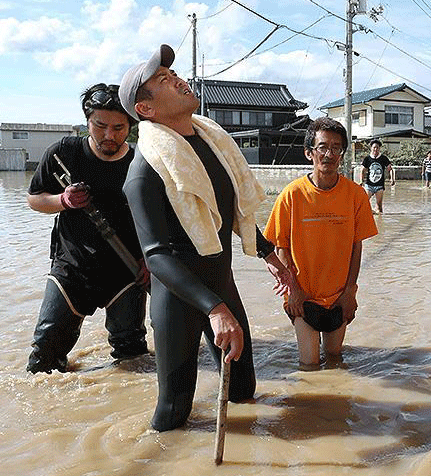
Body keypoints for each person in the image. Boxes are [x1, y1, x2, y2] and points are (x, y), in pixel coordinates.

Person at [119, 44, 292, 432]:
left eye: (173, 74)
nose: (178, 80)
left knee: (243, 391)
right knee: (174, 413)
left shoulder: (212, 144)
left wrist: (269, 255)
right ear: (145, 109)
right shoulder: (144, 172)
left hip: (220, 283)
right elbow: (157, 256)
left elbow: (229, 214)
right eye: (163, 80)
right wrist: (215, 309)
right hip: (179, 298)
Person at [26, 83, 149, 374]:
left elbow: (159, 218)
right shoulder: (63, 153)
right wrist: (62, 200)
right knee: (43, 359)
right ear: (87, 121)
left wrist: (151, 259)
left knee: (133, 359)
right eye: (100, 125)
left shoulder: (142, 161)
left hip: (128, 270)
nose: (109, 135)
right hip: (72, 266)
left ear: (130, 125)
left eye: (119, 127)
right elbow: (34, 199)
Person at [264, 117, 378, 369]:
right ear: (309, 153)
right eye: (322, 147)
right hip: (303, 297)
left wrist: (350, 292)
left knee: (336, 360)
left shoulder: (356, 195)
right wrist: (293, 291)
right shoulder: (291, 195)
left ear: (342, 154)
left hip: (339, 297)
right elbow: (280, 247)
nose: (329, 154)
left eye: (336, 148)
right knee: (309, 365)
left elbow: (356, 247)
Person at [360, 138, 394, 213]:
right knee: (364, 203)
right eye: (374, 147)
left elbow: (390, 169)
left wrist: (392, 179)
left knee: (379, 205)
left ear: (379, 149)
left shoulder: (383, 158)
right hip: (369, 185)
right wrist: (361, 181)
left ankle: (379, 222)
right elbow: (362, 170)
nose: (375, 149)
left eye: (377, 148)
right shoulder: (367, 159)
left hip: (379, 185)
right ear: (371, 148)